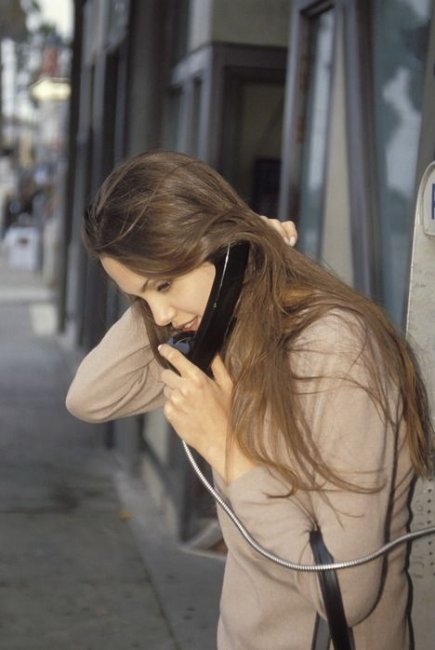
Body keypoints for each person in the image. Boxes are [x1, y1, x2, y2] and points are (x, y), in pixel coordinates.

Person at [66, 150, 432, 649]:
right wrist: (158, 290)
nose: (162, 316)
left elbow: (346, 595)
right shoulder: (224, 333)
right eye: (141, 298)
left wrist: (227, 450)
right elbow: (90, 397)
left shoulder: (335, 350)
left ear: (221, 246)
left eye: (166, 284)